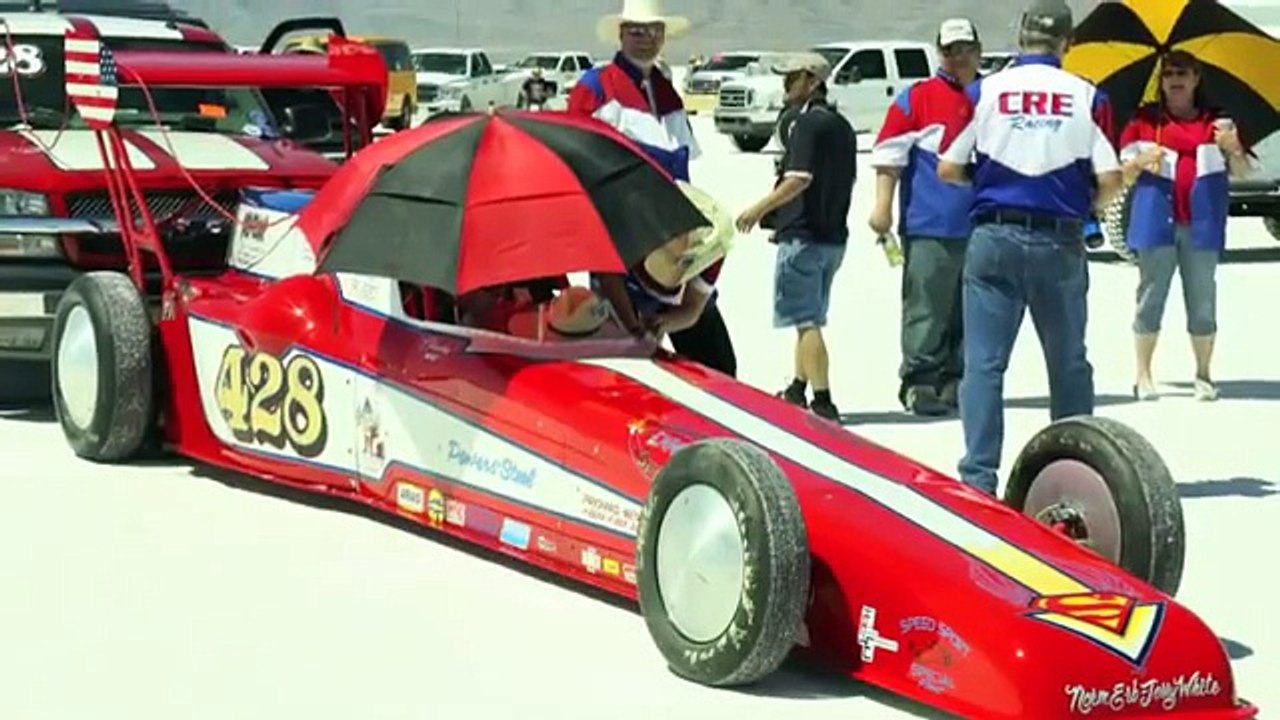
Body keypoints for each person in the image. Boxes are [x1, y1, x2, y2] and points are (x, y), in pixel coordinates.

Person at [936, 0, 1123, 496]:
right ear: (1069, 42)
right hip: (1058, 241)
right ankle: (1076, 473)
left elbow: (948, 168)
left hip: (994, 235)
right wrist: (1086, 205)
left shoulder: (984, 91)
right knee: (1067, 363)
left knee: (984, 365)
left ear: (1020, 37)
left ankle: (978, 478)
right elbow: (1110, 178)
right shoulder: (1087, 97)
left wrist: (990, 181)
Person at [568, 0, 738, 377]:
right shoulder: (594, 89)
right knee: (630, 367)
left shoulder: (668, 96)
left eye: (653, 31)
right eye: (636, 30)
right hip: (622, 253)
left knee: (716, 370)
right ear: (620, 33)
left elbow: (683, 180)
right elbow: (579, 173)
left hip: (677, 250)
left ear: (664, 35)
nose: (645, 39)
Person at [1118, 50, 1253, 402]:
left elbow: (1241, 173)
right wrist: (1141, 161)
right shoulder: (1145, 121)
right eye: (1169, 74)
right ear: (1161, 81)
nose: (1175, 80)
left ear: (1196, 79)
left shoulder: (1217, 122)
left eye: (1183, 73)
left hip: (1202, 223)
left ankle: (1204, 374)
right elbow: (1121, 174)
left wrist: (1233, 149)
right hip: (1155, 223)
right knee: (1150, 299)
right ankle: (1143, 374)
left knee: (1203, 300)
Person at [869, 18, 983, 416]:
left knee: (972, 306)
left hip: (984, 224)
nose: (958, 57)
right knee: (927, 307)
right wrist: (882, 206)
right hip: (930, 222)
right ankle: (920, 381)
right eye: (950, 50)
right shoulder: (917, 98)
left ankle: (956, 379)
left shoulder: (993, 96)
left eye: (964, 48)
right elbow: (888, 156)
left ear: (978, 50)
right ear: (939, 52)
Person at [736, 53, 857, 420]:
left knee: (807, 322)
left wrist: (759, 209)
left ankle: (823, 400)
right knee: (810, 317)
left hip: (803, 237)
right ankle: (797, 388)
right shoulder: (842, 126)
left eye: (790, 78)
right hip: (833, 237)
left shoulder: (806, 126)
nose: (785, 86)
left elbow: (799, 178)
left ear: (810, 80)